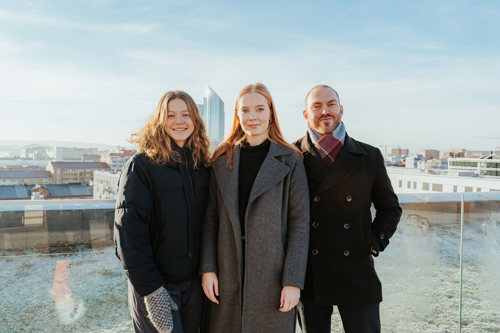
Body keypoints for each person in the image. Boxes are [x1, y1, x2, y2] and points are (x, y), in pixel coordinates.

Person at [200, 83, 310, 333]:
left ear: (270, 112)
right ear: (237, 115)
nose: (252, 117)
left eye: (260, 109)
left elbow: (300, 224)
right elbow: (210, 220)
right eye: (245, 110)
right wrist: (208, 269)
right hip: (227, 272)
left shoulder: (290, 159)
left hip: (273, 275)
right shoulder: (221, 158)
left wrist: (293, 282)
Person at [295, 84, 402, 333]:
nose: (325, 111)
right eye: (317, 106)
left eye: (331, 104)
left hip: (356, 269)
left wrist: (373, 242)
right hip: (310, 273)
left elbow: (390, 208)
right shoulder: (292, 156)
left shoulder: (369, 155)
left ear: (341, 109)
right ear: (306, 114)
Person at [114, 90, 211, 333]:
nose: (179, 121)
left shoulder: (202, 166)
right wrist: (152, 291)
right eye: (170, 115)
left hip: (195, 288)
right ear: (159, 121)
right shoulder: (142, 166)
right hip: (156, 288)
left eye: (185, 114)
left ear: (195, 120)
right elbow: (128, 235)